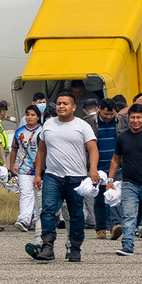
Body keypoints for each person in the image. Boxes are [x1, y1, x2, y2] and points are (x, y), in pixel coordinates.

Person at [32, 91, 98, 263]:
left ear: (73, 107)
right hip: (53, 176)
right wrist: (38, 174)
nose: (61, 106)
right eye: (59, 103)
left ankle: (75, 247)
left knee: (76, 214)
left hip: (76, 177)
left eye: (65, 104)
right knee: (47, 210)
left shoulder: (82, 126)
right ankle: (47, 246)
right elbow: (41, 151)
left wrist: (93, 169)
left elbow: (92, 149)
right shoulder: (48, 125)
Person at [108, 103, 142, 256]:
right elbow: (115, 159)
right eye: (132, 117)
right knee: (128, 215)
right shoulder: (122, 137)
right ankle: (127, 245)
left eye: (139, 117)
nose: (135, 120)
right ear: (128, 118)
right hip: (129, 182)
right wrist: (110, 180)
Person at [85, 98, 124, 239]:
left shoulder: (122, 121)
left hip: (117, 166)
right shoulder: (89, 123)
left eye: (111, 114)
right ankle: (100, 228)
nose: (108, 117)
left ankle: (115, 226)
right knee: (99, 198)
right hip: (97, 166)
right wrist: (91, 168)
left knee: (114, 196)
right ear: (99, 109)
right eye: (106, 114)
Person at [8, 104, 42, 233]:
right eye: (27, 115)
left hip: (41, 170)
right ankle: (23, 220)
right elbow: (14, 149)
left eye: (33, 115)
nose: (30, 117)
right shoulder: (19, 132)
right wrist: (12, 166)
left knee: (38, 197)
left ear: (38, 117)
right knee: (26, 194)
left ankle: (37, 221)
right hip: (24, 169)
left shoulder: (43, 131)